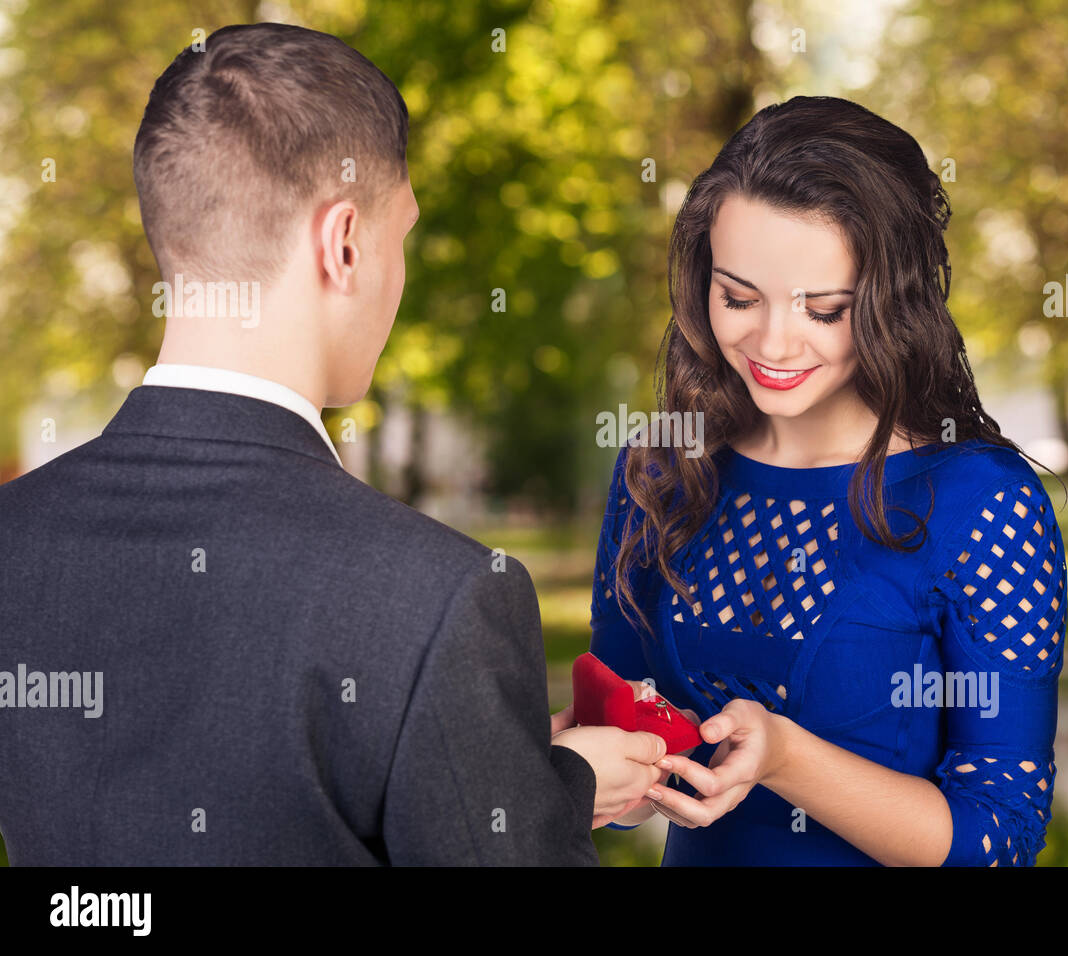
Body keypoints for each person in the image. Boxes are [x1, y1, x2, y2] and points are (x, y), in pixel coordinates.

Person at [0, 22, 665, 866]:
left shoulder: (14, 538)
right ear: (343, 243)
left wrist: (495, 765)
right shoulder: (440, 597)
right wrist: (550, 799)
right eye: (402, 237)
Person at [589, 95, 1067, 865]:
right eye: (738, 297)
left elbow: (1000, 837)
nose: (773, 341)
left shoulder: (983, 501)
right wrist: (576, 772)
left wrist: (786, 759)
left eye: (826, 309)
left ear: (892, 303)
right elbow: (618, 765)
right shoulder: (660, 473)